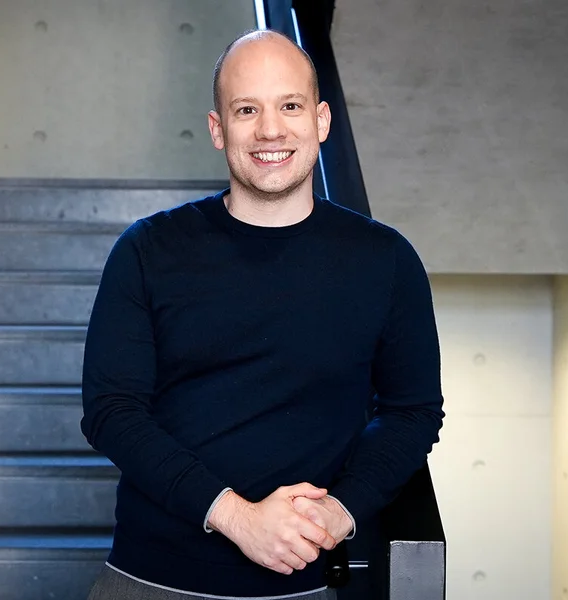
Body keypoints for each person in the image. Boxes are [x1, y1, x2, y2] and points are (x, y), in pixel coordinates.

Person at [80, 28, 444, 600]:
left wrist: (341, 511)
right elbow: (112, 411)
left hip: (307, 585)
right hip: (151, 580)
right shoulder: (148, 249)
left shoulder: (386, 260)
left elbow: (412, 411)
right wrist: (237, 517)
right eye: (246, 109)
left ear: (321, 120)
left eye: (290, 106)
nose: (270, 130)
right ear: (218, 129)